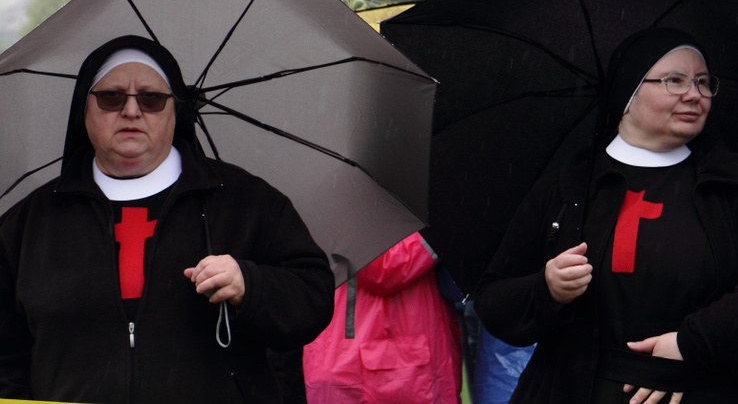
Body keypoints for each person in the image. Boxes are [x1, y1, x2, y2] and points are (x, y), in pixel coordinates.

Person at [0, 35, 335, 404]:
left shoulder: (244, 200)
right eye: (111, 97)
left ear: (176, 111)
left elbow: (313, 298)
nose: (131, 111)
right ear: (84, 108)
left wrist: (250, 285)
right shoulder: (28, 223)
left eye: (151, 98)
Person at [473, 27, 738, 403]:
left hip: (703, 388)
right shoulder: (568, 186)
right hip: (572, 390)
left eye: (704, 82)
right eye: (675, 81)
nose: (695, 94)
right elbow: (493, 300)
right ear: (628, 95)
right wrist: (547, 289)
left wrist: (690, 343)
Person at [302, 231, 463, 404]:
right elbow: (384, 266)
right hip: (376, 367)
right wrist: (440, 235)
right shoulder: (358, 211)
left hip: (389, 361)